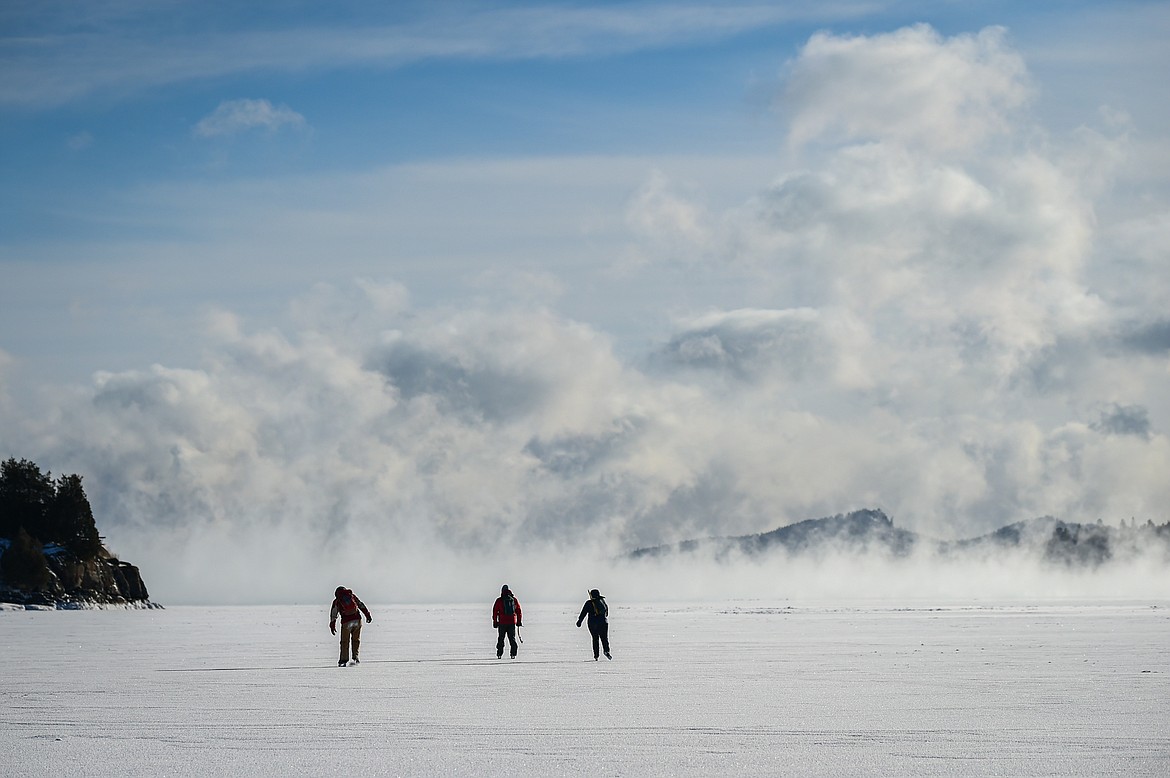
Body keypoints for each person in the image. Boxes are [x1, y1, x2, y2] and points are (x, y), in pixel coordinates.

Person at [330, 586, 372, 667]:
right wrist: (367, 615)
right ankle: (355, 657)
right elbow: (360, 605)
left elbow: (333, 614)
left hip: (346, 622)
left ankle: (343, 660)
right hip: (357, 620)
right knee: (356, 640)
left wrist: (332, 624)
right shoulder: (352, 596)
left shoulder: (337, 601)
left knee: (344, 642)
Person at [576, 588, 611, 660]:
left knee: (595, 639)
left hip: (593, 623)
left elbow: (583, 613)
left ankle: (596, 655)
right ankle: (606, 651)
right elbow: (606, 613)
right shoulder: (602, 601)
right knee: (604, 638)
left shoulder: (589, 603)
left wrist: (579, 621)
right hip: (603, 622)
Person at [492, 584, 523, 659]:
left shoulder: (499, 600)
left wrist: (495, 622)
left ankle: (499, 654)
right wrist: (519, 621)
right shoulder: (513, 600)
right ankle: (513, 654)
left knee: (501, 638)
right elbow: (518, 611)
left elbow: (495, 612)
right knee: (512, 638)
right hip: (511, 622)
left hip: (502, 622)